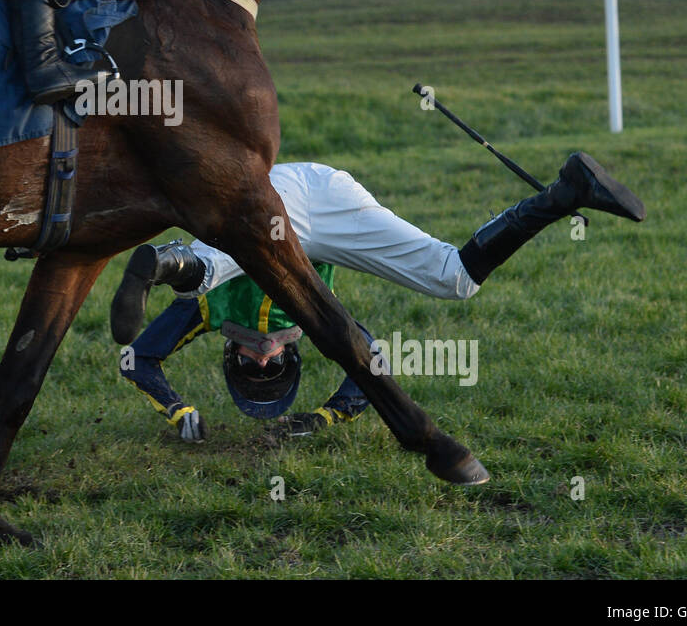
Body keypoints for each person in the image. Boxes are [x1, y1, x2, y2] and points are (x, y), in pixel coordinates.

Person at [113, 153, 645, 440]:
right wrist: (326, 417)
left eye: (250, 363)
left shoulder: (206, 315)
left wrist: (176, 410)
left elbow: (137, 359)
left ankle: (162, 261)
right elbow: (375, 360)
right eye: (268, 365)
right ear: (289, 356)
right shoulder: (318, 327)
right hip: (323, 193)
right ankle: (563, 194)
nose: (260, 354)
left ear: (233, 354)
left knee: (212, 268)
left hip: (280, 199)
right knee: (453, 278)